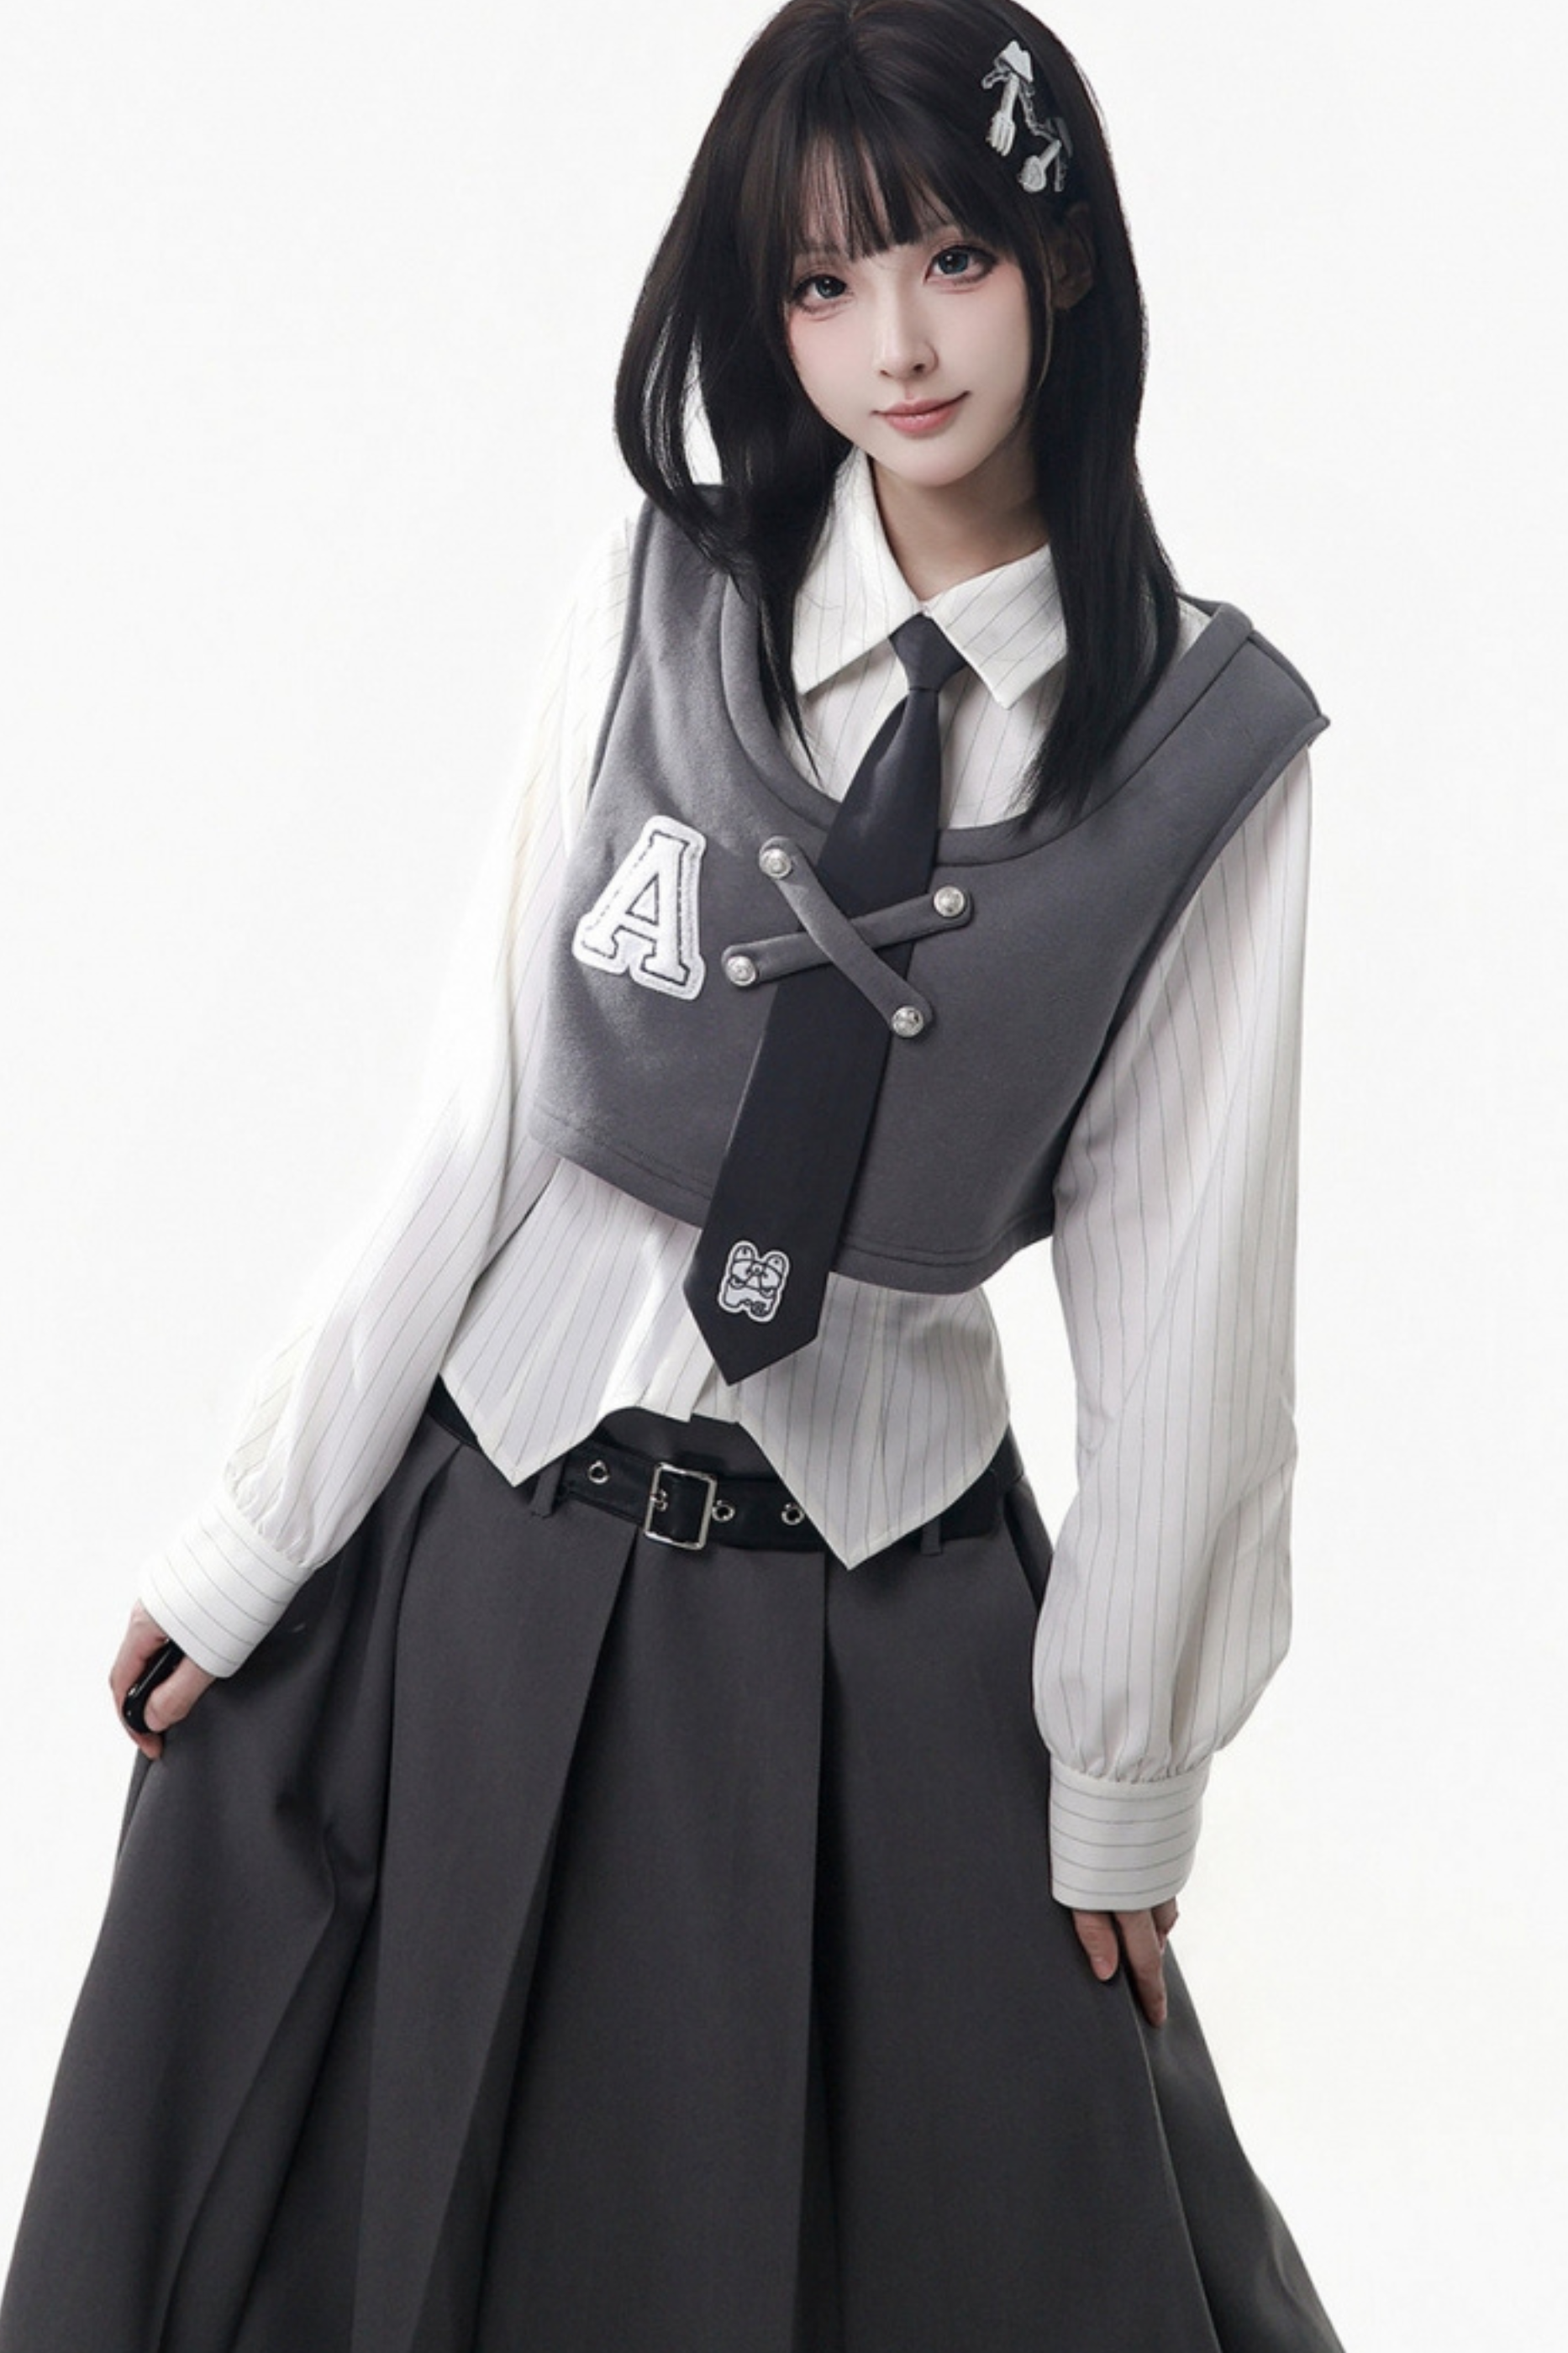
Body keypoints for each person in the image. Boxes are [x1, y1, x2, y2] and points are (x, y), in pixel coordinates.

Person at [0, 2, 1344, 2347]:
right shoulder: (657, 600)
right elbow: (485, 1112)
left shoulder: (1200, 755)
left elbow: (1181, 1319)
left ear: (1062, 256)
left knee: (974, 2242)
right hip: (479, 1561)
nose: (896, 345)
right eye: (826, 283)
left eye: (950, 257)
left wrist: (1126, 1778)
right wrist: (257, 1529)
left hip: (881, 1609)